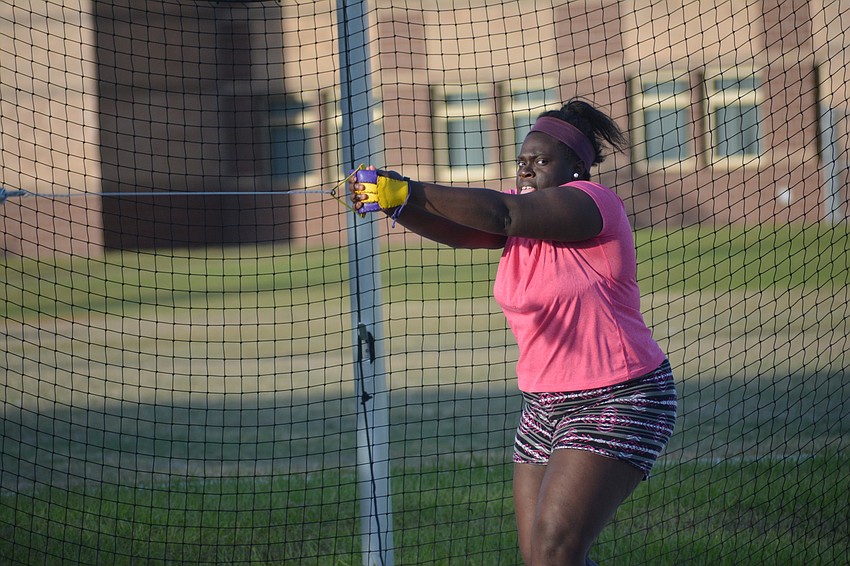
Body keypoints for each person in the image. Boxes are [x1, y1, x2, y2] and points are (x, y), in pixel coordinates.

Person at [349, 99, 677, 566]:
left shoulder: (593, 202)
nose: (527, 172)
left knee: (553, 551)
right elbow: (464, 229)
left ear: (577, 167)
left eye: (541, 162)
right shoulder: (523, 215)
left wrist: (406, 189)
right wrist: (392, 205)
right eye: (523, 163)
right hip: (542, 405)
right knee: (542, 558)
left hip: (619, 397)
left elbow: (500, 214)